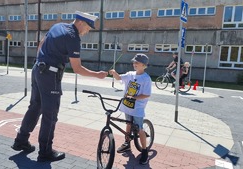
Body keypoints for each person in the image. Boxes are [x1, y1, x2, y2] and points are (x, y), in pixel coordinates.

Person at [11, 11, 108, 162]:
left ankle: (21, 140)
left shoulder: (58, 26)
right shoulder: (73, 38)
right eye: (88, 28)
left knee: (35, 107)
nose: (87, 32)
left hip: (38, 69)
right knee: (50, 115)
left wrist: (41, 60)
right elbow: (77, 69)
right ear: (81, 23)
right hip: (50, 75)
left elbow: (42, 42)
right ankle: (45, 151)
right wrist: (98, 75)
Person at [109, 53, 152, 165]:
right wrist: (114, 73)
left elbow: (146, 94)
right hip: (127, 105)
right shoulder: (130, 74)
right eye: (134, 62)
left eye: (137, 63)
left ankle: (144, 151)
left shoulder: (146, 78)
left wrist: (134, 97)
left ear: (144, 65)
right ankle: (127, 144)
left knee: (140, 129)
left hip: (137, 108)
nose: (134, 64)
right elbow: (119, 78)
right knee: (128, 124)